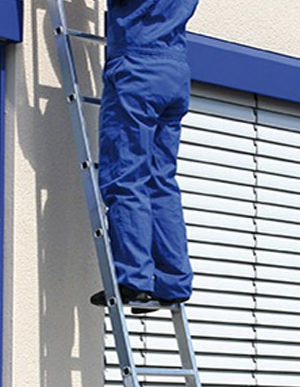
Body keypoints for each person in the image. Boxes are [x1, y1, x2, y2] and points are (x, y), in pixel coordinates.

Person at [90, 0, 199, 312]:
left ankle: (134, 281)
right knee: (160, 180)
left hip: (138, 67)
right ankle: (173, 282)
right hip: (175, 70)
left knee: (125, 178)